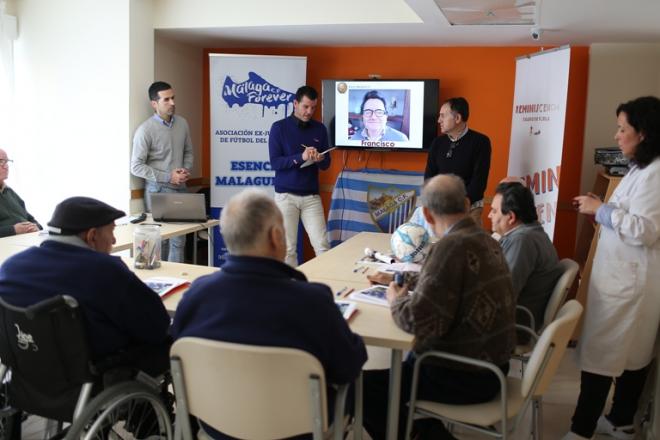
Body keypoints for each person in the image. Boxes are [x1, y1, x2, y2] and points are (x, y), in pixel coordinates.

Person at [171, 188, 367, 439]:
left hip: (216, 428)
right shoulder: (313, 302)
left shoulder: (195, 296)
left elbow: (177, 350)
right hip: (301, 431)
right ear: (276, 236)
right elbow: (348, 367)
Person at [363, 174, 516, 440]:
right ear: (467, 204)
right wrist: (401, 279)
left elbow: (417, 322)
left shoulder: (449, 248)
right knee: (397, 377)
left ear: (427, 215)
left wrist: (395, 298)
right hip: (494, 367)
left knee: (363, 388)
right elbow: (450, 282)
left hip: (464, 375)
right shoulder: (487, 240)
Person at [563, 96, 660, 440]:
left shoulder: (655, 173)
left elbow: (645, 230)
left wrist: (601, 209)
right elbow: (628, 220)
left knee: (603, 359)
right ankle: (619, 420)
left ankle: (581, 430)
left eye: (623, 129)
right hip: (623, 278)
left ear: (644, 133)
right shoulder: (640, 168)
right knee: (625, 355)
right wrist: (599, 214)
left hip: (630, 285)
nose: (617, 136)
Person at [0, 196, 171, 376]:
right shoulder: (104, 270)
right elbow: (157, 326)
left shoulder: (11, 267)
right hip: (91, 376)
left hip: (27, 377)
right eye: (111, 232)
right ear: (92, 235)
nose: (113, 241)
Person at [131, 81, 194, 263]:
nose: (172, 103)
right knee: (160, 241)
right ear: (154, 103)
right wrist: (168, 176)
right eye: (166, 99)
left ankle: (177, 283)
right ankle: (160, 285)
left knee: (179, 241)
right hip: (156, 191)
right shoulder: (145, 130)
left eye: (173, 98)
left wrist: (185, 170)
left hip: (180, 189)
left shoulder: (182, 123)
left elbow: (188, 151)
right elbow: (136, 166)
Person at [268, 85, 331, 266]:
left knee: (322, 246)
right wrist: (300, 158)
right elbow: (275, 163)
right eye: (305, 107)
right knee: (287, 250)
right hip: (286, 197)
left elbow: (327, 164)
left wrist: (320, 158)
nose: (309, 111)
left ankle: (328, 290)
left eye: (313, 107)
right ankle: (290, 291)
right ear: (295, 103)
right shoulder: (279, 128)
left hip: (311, 197)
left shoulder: (319, 129)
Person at [489, 181, 563, 329]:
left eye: (494, 211)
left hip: (511, 327)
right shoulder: (533, 233)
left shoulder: (522, 241)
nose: (489, 215)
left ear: (511, 217)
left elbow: (502, 295)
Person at [424, 97, 491, 226]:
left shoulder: (481, 142)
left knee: (468, 245)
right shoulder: (437, 143)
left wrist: (456, 206)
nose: (439, 120)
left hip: (469, 210)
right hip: (440, 210)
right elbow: (429, 178)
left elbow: (479, 183)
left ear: (457, 118)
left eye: (443, 116)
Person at [0, 148, 41, 237]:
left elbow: (31, 220)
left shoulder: (10, 193)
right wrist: (13, 230)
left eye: (6, 162)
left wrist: (36, 227)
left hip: (26, 241)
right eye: (1, 161)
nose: (6, 166)